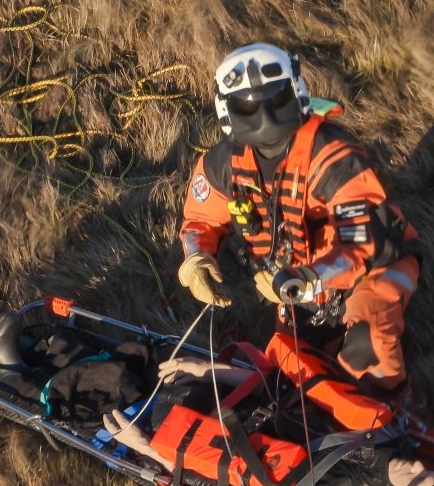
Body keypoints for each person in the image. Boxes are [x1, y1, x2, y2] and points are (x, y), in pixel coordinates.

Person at [177, 43, 421, 397]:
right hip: (295, 280)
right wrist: (197, 257)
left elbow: (360, 245)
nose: (264, 116)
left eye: (274, 100)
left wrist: (305, 280)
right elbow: (200, 218)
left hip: (377, 263)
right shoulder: (222, 165)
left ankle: (392, 408)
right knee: (293, 369)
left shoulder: (335, 158)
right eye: (248, 106)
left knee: (367, 344)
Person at [101, 356, 434, 486]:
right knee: (134, 362)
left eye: (419, 480)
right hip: (216, 400)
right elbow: (287, 395)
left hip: (175, 435)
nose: (420, 465)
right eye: (431, 470)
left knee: (106, 390)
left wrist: (145, 447)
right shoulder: (378, 440)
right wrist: (206, 369)